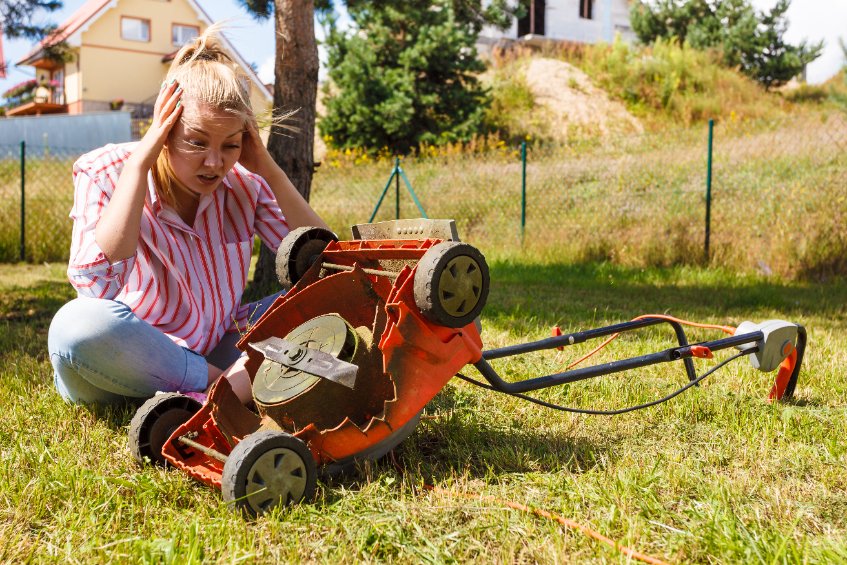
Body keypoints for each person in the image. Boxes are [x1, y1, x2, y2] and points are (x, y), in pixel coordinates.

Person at [48, 27, 328, 406]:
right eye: (196, 142)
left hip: (218, 347)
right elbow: (95, 290)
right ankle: (227, 389)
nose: (214, 163)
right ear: (165, 128)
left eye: (229, 144)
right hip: (126, 364)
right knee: (76, 326)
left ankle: (222, 387)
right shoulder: (105, 170)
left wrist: (270, 170)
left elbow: (328, 262)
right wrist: (138, 168)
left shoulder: (245, 182)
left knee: (327, 293)